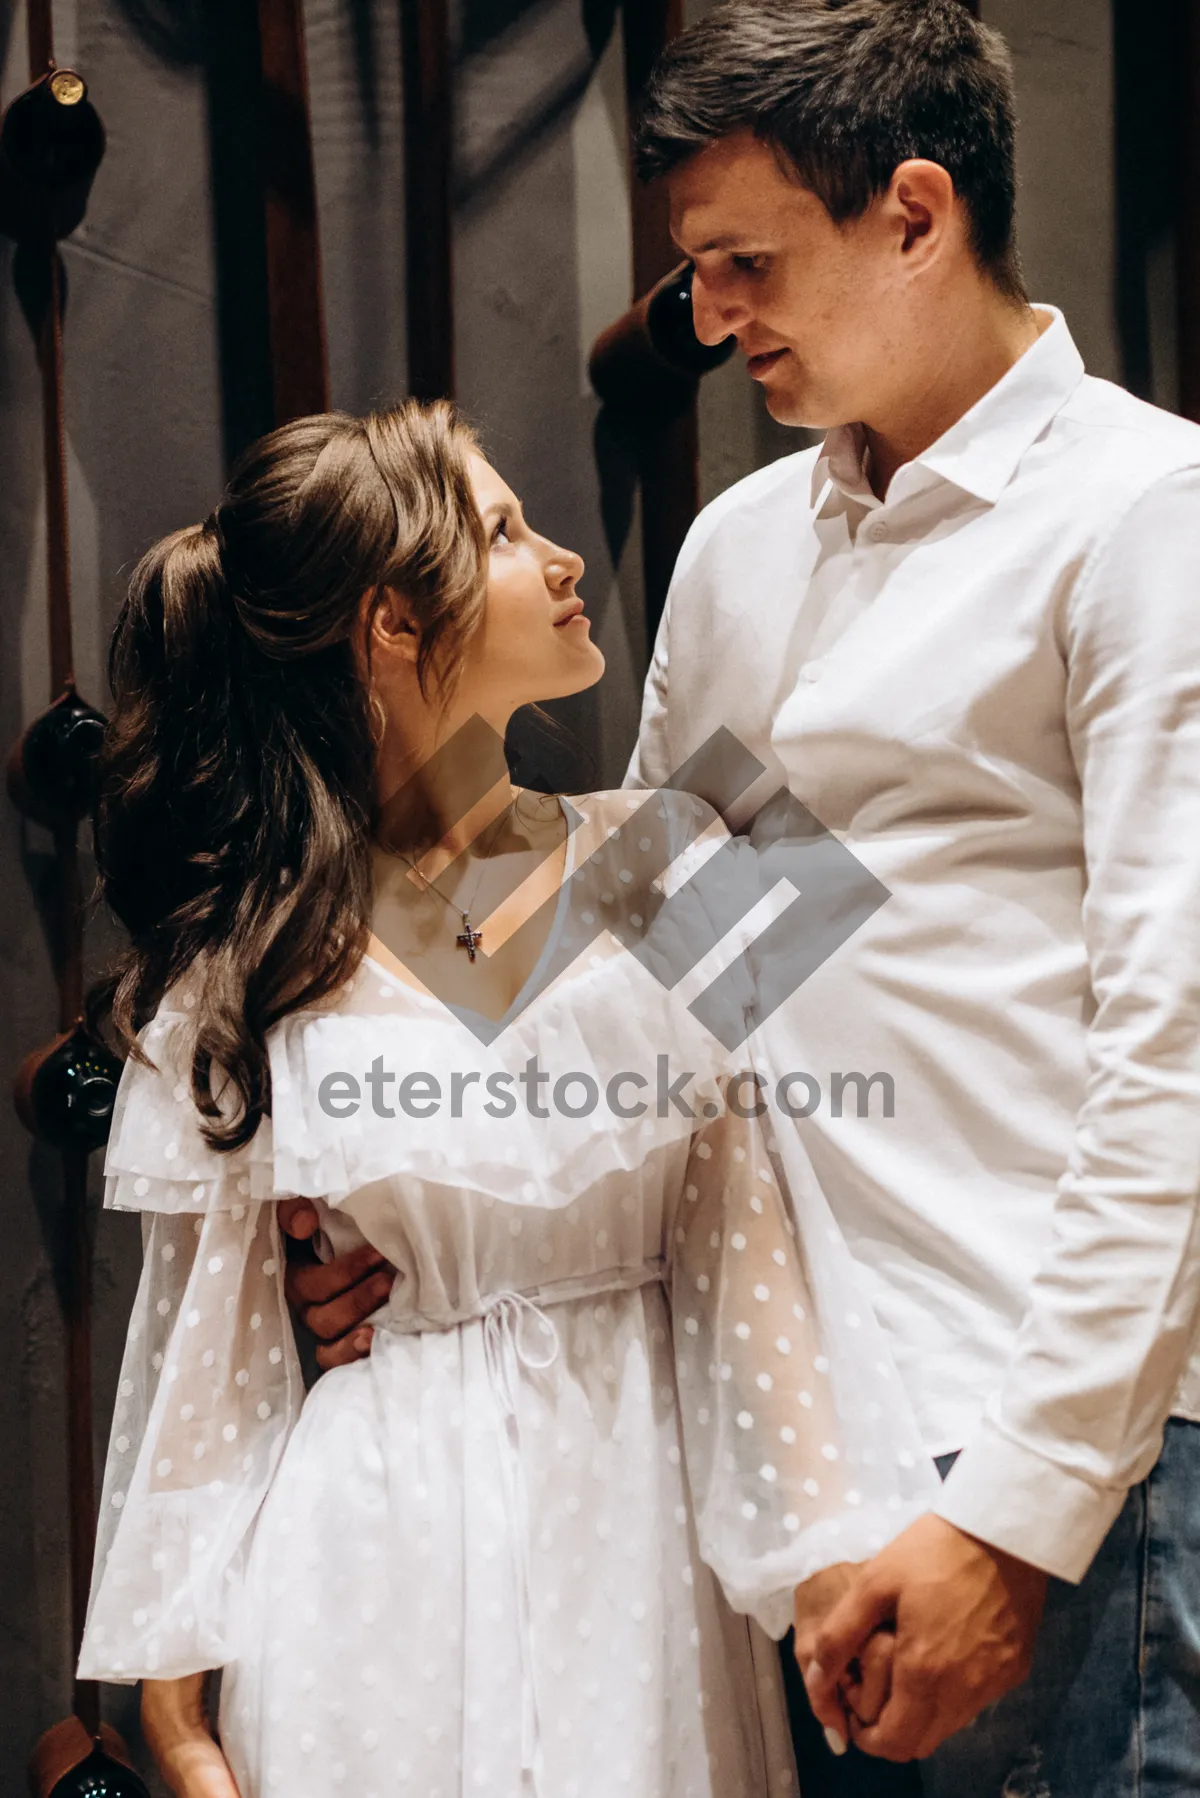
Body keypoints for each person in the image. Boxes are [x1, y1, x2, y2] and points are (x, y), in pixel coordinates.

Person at [285, 1, 1200, 1791]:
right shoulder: (741, 550)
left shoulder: (1142, 516)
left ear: (917, 216)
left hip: (1058, 1452)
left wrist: (1022, 1514)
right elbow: (689, 992)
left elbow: (1176, 1058)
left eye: (742, 262)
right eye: (695, 272)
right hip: (791, 1460)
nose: (710, 317)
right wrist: (416, 1206)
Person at [76, 397, 936, 1796]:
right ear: (390, 629)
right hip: (367, 1584)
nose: (559, 559)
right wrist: (179, 1726)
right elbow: (204, 1376)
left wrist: (825, 1571)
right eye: (501, 530)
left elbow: (759, 1251)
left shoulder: (689, 846)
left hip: (644, 1576)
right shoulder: (254, 953)